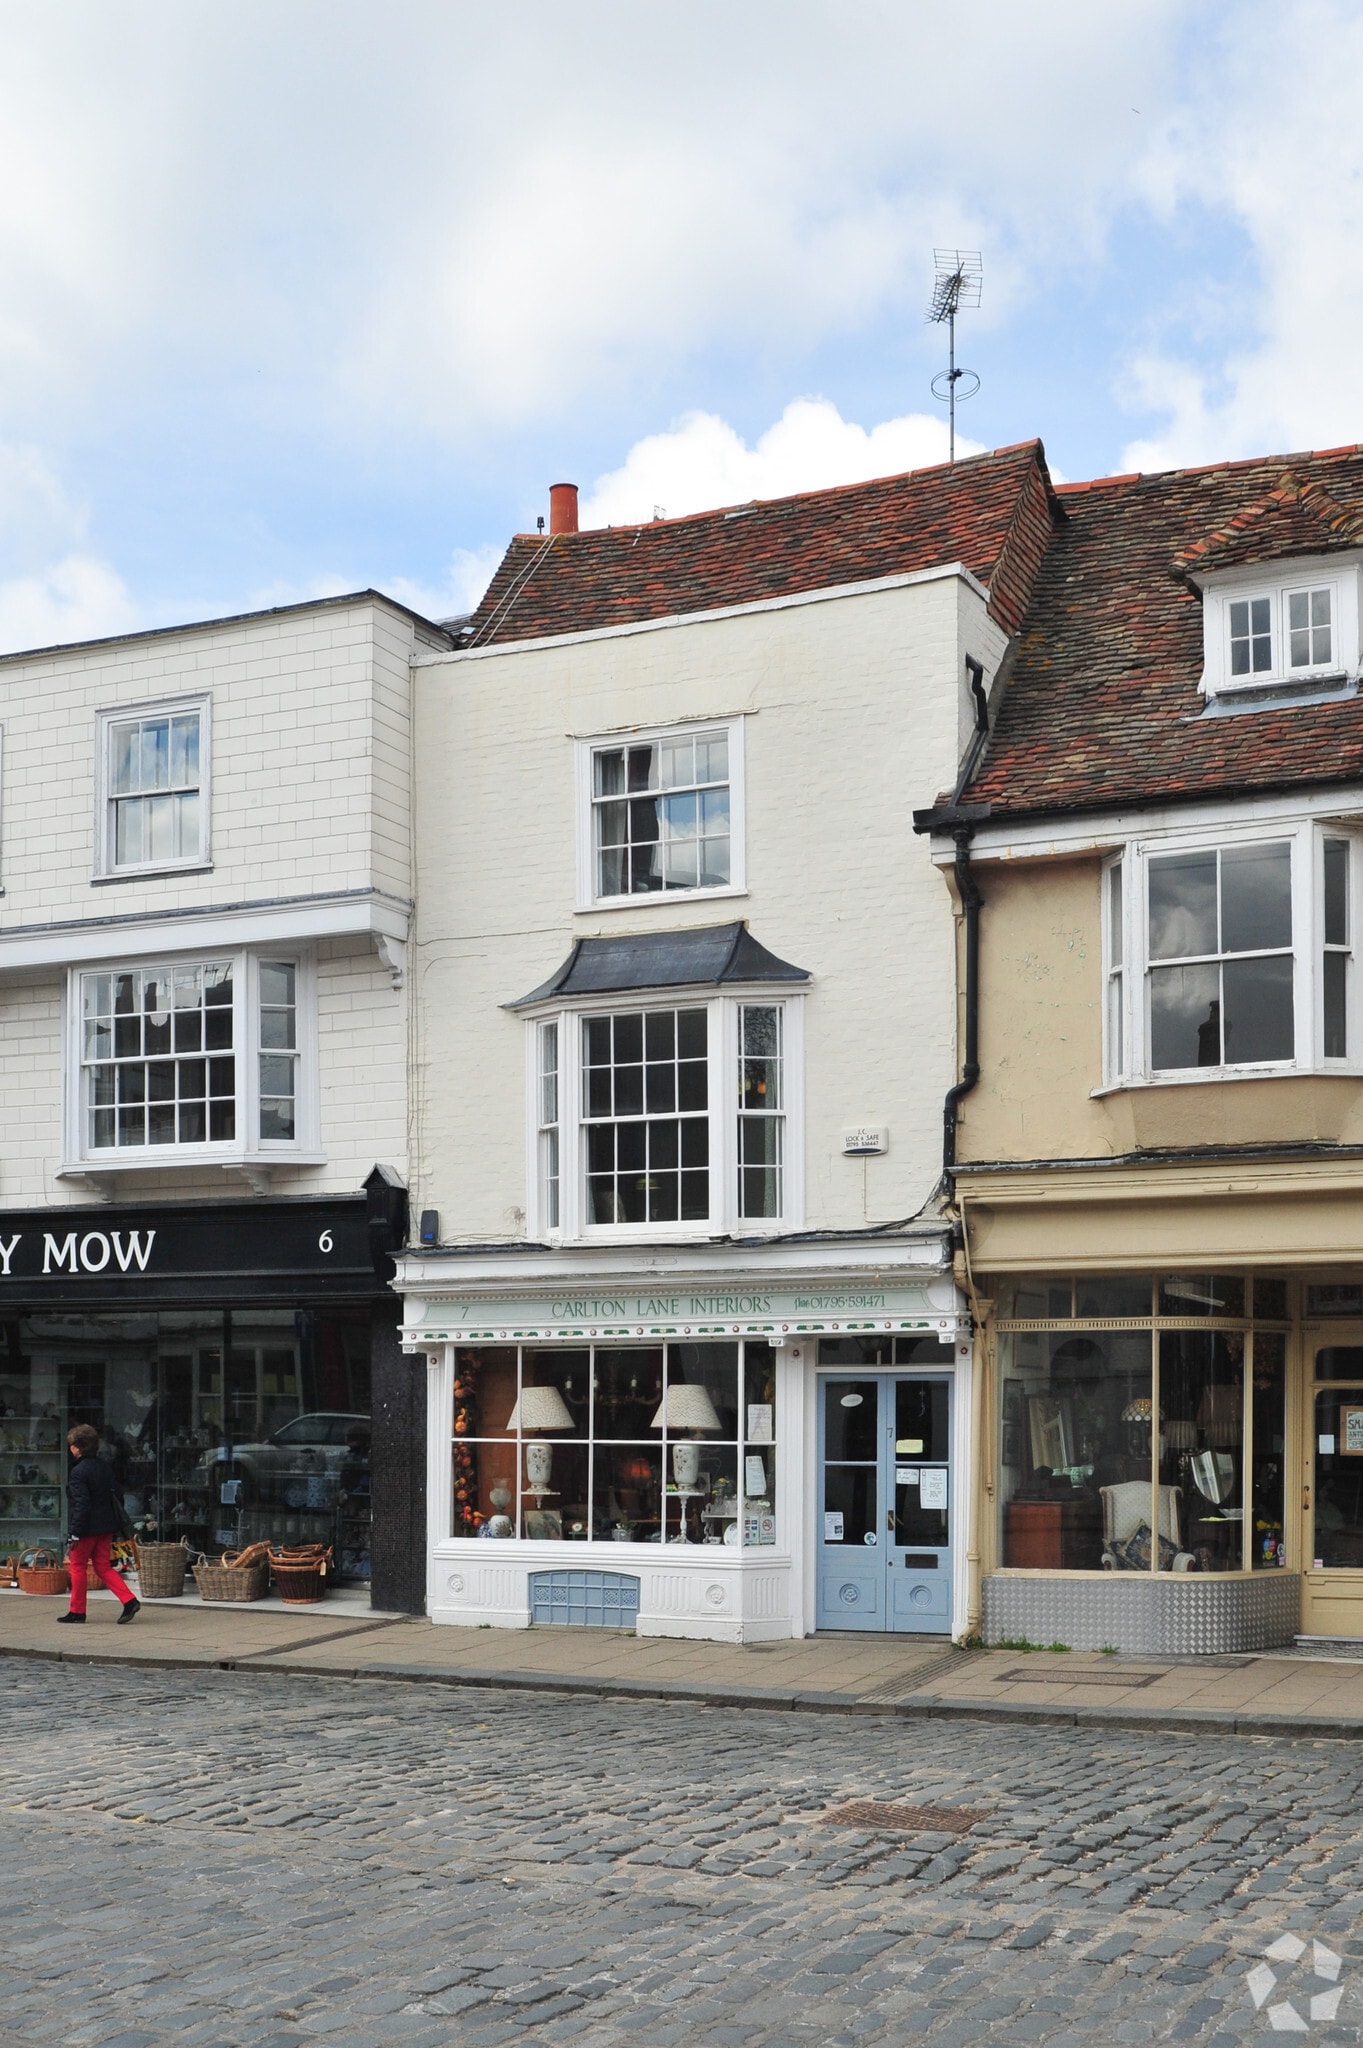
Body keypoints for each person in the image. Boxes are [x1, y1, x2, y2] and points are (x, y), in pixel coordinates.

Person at [60, 1423, 139, 1625]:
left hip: (86, 1528)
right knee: (103, 1566)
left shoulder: (78, 1472)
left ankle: (77, 1611)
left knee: (77, 1567)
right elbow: (117, 1495)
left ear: (76, 1447)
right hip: (106, 1526)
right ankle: (129, 1600)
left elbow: (81, 1504)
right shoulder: (104, 1466)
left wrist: (74, 1532)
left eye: (72, 1445)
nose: (70, 1448)